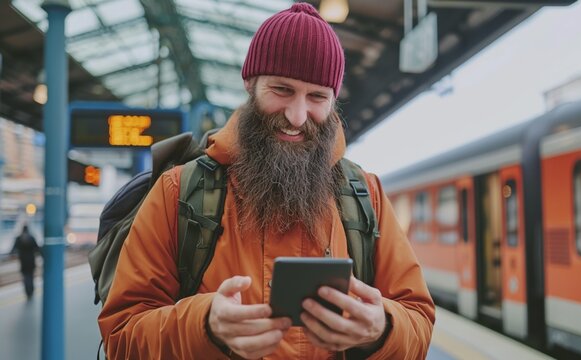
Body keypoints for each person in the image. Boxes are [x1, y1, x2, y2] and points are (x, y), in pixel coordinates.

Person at [98, 3, 435, 359]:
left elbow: (419, 322)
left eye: (317, 96)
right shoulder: (178, 191)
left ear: (334, 100)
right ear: (250, 84)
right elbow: (122, 335)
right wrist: (205, 326)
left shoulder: (368, 195)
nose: (297, 115)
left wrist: (382, 329)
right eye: (282, 89)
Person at [11, 225, 40, 299]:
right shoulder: (32, 238)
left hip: (23, 261)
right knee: (31, 276)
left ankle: (27, 292)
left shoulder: (19, 238)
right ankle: (31, 291)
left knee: (25, 276)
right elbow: (37, 249)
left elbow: (13, 250)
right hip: (31, 260)